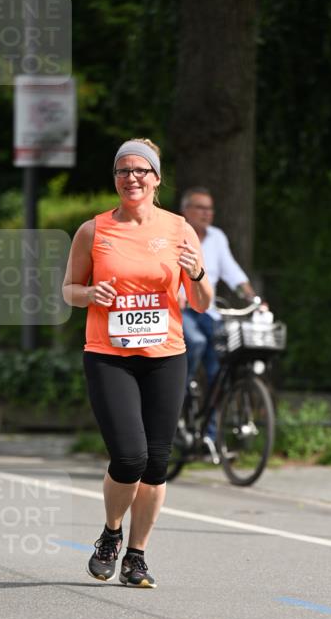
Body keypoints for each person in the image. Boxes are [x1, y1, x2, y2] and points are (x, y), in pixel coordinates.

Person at [62, 138, 213, 587]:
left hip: (166, 355)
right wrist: (90, 294)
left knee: (157, 463)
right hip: (110, 356)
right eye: (123, 171)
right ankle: (110, 534)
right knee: (129, 457)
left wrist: (198, 272)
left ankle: (137, 555)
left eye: (140, 171)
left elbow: (202, 304)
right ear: (115, 179)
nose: (132, 178)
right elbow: (69, 289)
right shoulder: (94, 230)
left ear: (156, 179)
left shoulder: (180, 229)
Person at [179, 187, 256, 440]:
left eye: (209, 208)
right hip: (182, 309)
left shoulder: (217, 237)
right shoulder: (175, 234)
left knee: (221, 367)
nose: (206, 213)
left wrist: (252, 297)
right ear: (186, 210)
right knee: (196, 342)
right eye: (200, 208)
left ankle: (209, 435)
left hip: (208, 311)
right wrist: (177, 293)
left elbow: (231, 270)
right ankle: (178, 391)